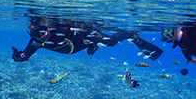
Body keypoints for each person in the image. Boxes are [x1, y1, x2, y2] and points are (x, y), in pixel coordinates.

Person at [12, 17, 163, 62]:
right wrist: (19, 57)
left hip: (86, 36)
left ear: (48, 26)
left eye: (43, 30)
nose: (42, 35)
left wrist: (93, 42)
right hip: (77, 47)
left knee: (109, 42)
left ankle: (131, 35)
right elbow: (26, 55)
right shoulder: (36, 42)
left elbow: (86, 32)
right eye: (37, 33)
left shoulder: (62, 29)